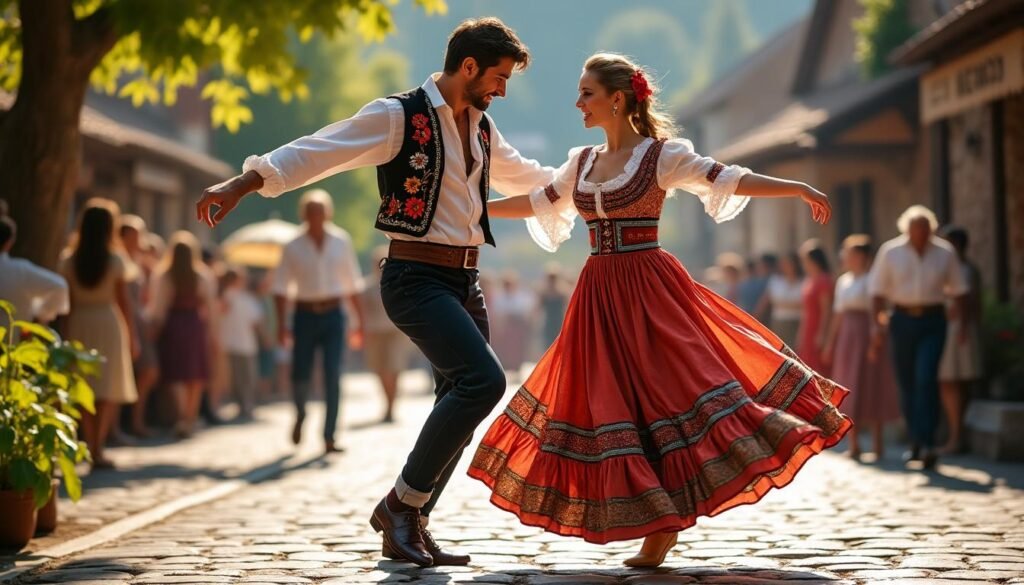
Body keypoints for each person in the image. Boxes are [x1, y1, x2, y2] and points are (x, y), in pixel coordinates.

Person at [196, 17, 556, 567]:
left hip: (465, 280)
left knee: (456, 401)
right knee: (483, 382)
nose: (502, 90)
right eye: (498, 77)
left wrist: (597, 177)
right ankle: (399, 507)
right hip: (414, 278)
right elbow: (321, 150)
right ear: (468, 67)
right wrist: (244, 182)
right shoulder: (398, 115)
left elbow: (527, 176)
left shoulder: (482, 126)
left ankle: (410, 523)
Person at [466, 53, 849, 568]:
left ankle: (665, 526)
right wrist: (471, 209)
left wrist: (795, 187)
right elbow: (538, 200)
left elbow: (727, 178)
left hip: (650, 290)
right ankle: (656, 518)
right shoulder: (579, 162)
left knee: (670, 394)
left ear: (617, 98)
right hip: (599, 295)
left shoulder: (661, 157)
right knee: (608, 402)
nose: (578, 102)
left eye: (587, 93)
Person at [869, 205, 967, 470]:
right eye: (916, 230)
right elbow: (876, 291)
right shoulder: (891, 252)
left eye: (925, 229)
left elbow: (959, 290)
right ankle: (915, 439)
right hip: (901, 320)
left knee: (926, 378)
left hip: (934, 320)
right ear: (907, 230)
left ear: (931, 229)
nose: (920, 234)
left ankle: (928, 442)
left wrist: (963, 324)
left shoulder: (944, 253)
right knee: (907, 381)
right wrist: (877, 325)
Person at [271, 189, 365, 452]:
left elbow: (353, 284)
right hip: (304, 314)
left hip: (335, 315)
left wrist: (360, 324)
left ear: (327, 214)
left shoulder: (340, 241)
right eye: (311, 212)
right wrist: (281, 325)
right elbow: (280, 288)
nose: (315, 216)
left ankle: (329, 435)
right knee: (301, 370)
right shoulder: (293, 245)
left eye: (320, 211)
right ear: (304, 214)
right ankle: (301, 412)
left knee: (333, 373)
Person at [58, 199, 138, 469]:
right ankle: (97, 446)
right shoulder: (115, 259)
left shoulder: (69, 260)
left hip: (80, 321)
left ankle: (89, 443)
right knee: (105, 388)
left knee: (84, 387)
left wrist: (66, 335)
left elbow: (66, 304)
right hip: (107, 321)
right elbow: (123, 301)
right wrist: (132, 334)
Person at [823, 235, 900, 460]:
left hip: (867, 334)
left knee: (871, 385)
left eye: (851, 254)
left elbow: (880, 309)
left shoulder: (872, 280)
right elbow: (838, 315)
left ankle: (877, 443)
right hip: (848, 337)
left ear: (863, 256)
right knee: (849, 386)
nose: (846, 258)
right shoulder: (843, 281)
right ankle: (854, 444)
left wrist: (878, 335)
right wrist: (830, 342)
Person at [150, 231, 218, 439]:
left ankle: (181, 416)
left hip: (174, 324)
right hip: (194, 325)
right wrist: (212, 334)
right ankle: (189, 417)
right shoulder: (202, 275)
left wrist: (156, 331)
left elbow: (159, 308)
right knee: (194, 374)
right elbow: (211, 307)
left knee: (177, 373)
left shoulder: (165, 275)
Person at [936, 225, 983, 454]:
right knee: (948, 382)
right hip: (949, 327)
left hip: (957, 329)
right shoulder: (951, 268)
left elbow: (969, 300)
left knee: (953, 381)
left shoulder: (965, 269)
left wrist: (964, 325)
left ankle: (956, 436)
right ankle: (954, 434)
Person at [360, 246, 415, 423]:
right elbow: (362, 311)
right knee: (380, 370)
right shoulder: (367, 287)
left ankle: (391, 407)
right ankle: (387, 402)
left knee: (394, 368)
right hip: (375, 333)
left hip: (396, 332)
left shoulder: (400, 283)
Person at [120, 214, 160, 438]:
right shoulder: (120, 260)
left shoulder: (138, 262)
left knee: (147, 371)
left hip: (138, 320)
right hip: (127, 320)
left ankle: (136, 419)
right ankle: (126, 423)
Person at [0, 215, 70, 330]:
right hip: (12, 340)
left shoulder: (20, 271)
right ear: (9, 242)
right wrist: (40, 315)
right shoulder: (20, 271)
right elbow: (59, 286)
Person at [219, 266, 265, 421]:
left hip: (233, 343)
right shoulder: (242, 298)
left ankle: (244, 405)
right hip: (242, 343)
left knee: (239, 378)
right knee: (246, 378)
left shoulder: (227, 297)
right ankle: (246, 405)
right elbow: (256, 322)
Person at [797, 239, 834, 375]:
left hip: (818, 328)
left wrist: (822, 333)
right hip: (808, 328)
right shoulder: (809, 280)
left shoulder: (823, 280)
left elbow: (826, 310)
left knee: (820, 369)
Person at [755, 252, 803, 347]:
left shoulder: (803, 281)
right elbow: (765, 301)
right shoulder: (775, 281)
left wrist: (782, 303)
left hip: (798, 322)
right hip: (779, 322)